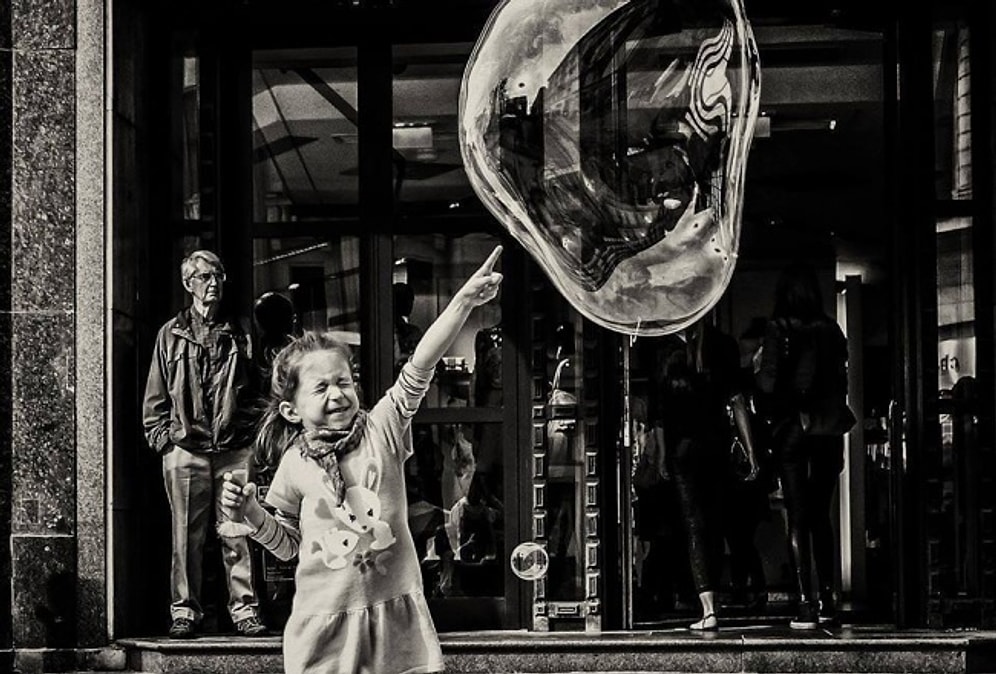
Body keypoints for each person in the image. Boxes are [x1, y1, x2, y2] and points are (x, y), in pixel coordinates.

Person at [220, 246, 503, 674]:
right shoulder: (295, 462)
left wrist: (462, 301)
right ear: (291, 410)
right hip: (324, 624)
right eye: (321, 388)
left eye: (344, 382)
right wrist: (253, 514)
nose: (337, 394)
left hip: (393, 615)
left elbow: (420, 366)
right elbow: (289, 546)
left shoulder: (381, 428)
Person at [142, 249, 266, 638]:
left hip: (233, 448)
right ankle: (185, 611)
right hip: (186, 449)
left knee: (237, 531)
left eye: (218, 276)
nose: (213, 284)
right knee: (185, 537)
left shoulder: (241, 329)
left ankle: (244, 610)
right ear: (188, 284)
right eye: (204, 277)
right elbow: (155, 396)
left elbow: (261, 388)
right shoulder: (171, 333)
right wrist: (164, 439)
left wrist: (251, 435)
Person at [756, 262, 855, 629]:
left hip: (793, 428)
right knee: (820, 516)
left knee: (796, 516)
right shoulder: (831, 329)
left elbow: (767, 385)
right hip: (828, 428)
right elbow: (842, 380)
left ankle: (804, 602)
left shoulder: (778, 329)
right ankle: (829, 596)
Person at [643, 318, 758, 631]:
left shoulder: (664, 349)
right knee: (716, 523)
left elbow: (659, 413)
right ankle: (715, 600)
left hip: (682, 448)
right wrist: (751, 451)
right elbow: (737, 402)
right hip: (716, 445)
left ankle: (707, 608)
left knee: (694, 525)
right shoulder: (723, 345)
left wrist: (663, 456)